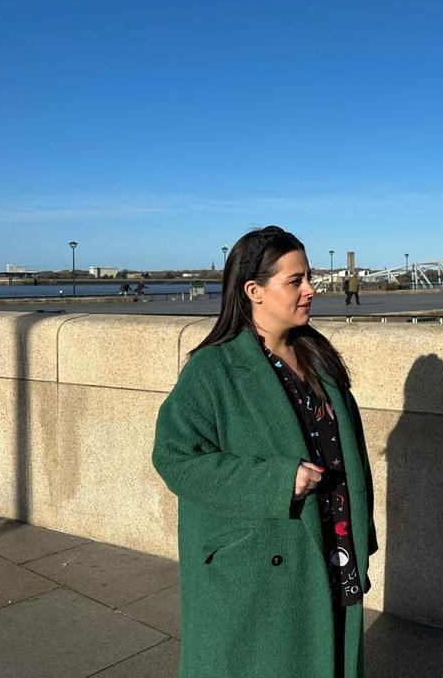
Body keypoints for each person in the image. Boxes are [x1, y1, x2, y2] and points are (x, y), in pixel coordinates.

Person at [152, 226, 377, 678]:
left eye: (308, 277)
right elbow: (175, 457)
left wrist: (361, 533)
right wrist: (276, 480)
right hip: (260, 562)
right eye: (295, 281)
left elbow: (349, 454)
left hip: (332, 546)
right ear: (253, 291)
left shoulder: (317, 356)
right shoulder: (213, 368)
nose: (311, 290)